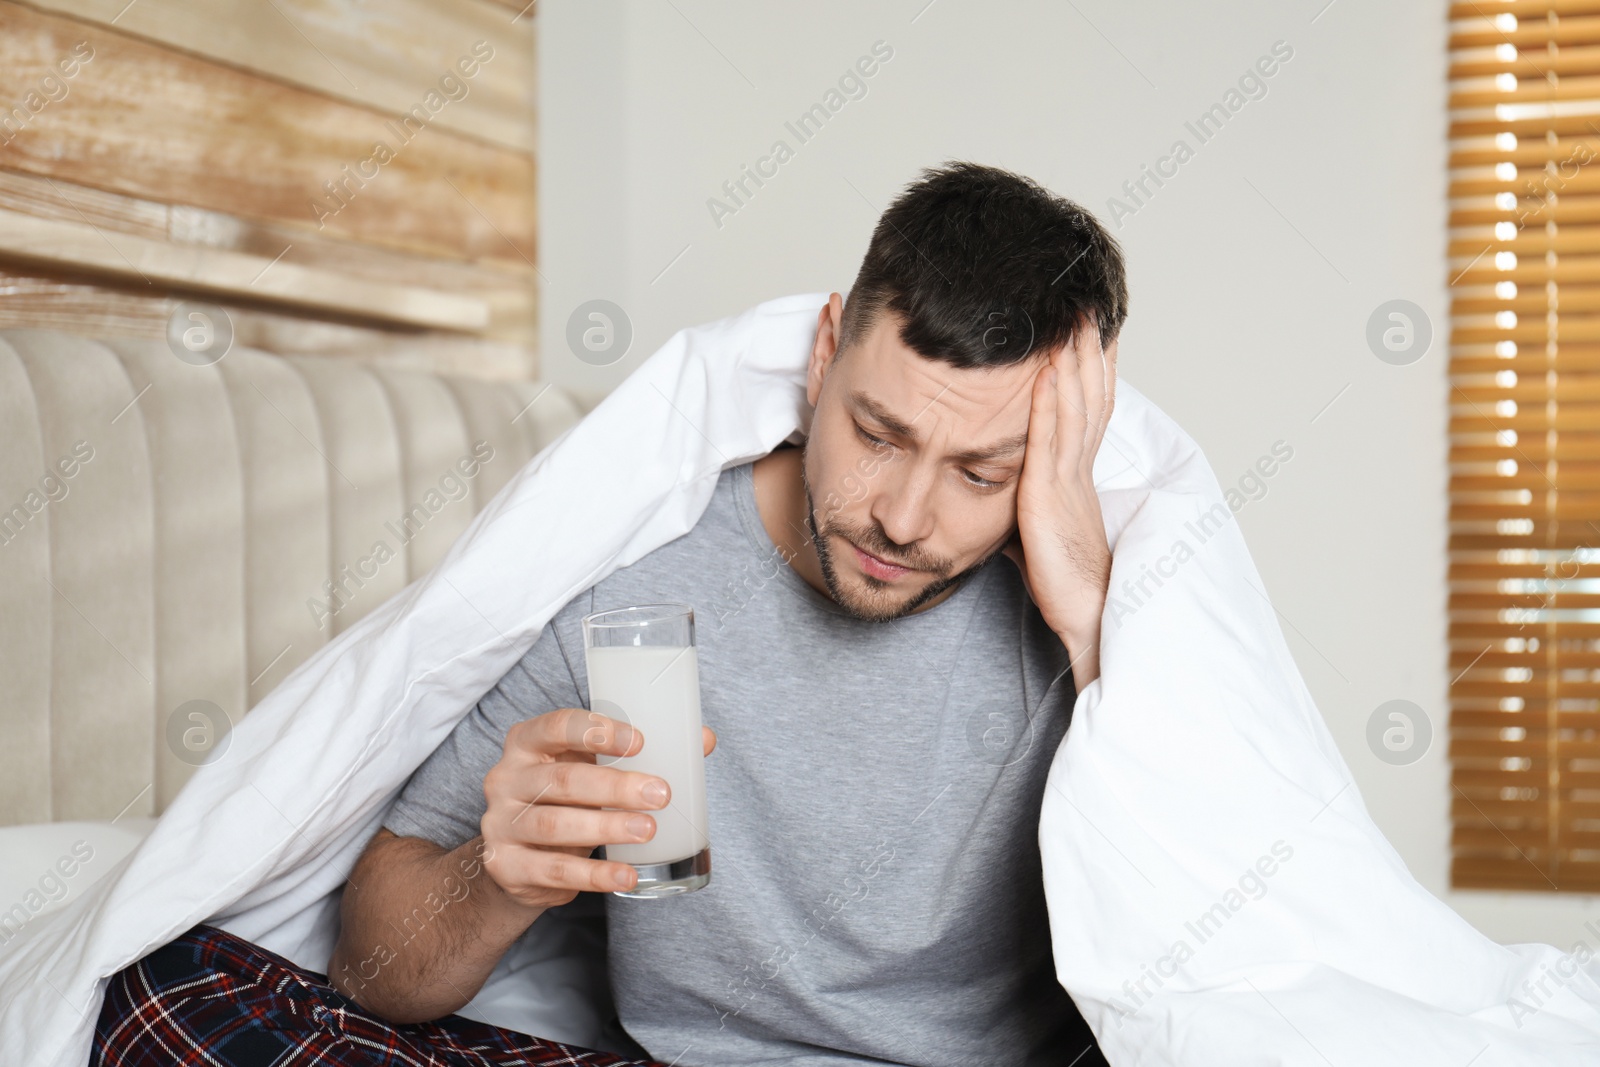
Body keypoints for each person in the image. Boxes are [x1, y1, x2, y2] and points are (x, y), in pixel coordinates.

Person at [94, 160, 1125, 1067]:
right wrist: (498, 876)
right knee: (165, 996)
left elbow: (1213, 960)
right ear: (822, 358)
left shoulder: (1094, 622)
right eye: (878, 433)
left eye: (981, 472)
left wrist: (1093, 630)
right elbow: (373, 966)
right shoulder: (640, 576)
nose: (902, 518)